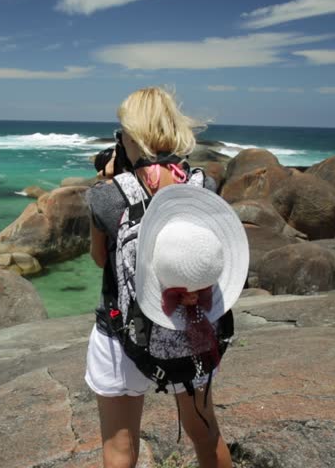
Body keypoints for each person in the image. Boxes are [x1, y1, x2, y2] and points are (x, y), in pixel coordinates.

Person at [85, 87, 242, 468]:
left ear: (129, 135)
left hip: (123, 335)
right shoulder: (203, 186)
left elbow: (98, 258)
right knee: (205, 433)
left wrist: (113, 180)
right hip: (190, 328)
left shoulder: (107, 197)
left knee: (120, 448)